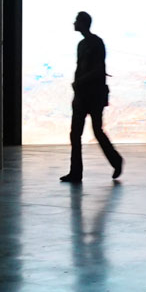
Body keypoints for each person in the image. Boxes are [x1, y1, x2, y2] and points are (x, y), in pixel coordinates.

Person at [61, 11, 124, 183]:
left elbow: (97, 69)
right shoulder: (84, 44)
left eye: (76, 21)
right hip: (83, 95)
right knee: (78, 133)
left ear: (82, 23)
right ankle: (77, 172)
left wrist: (79, 83)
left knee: (93, 131)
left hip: (92, 95)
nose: (74, 23)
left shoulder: (94, 43)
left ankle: (115, 161)